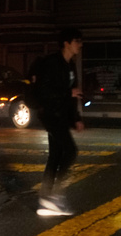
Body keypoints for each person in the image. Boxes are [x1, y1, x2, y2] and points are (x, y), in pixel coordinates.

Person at [30, 27, 85, 217]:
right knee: (70, 151)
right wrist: (68, 93)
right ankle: (55, 195)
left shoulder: (69, 66)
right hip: (51, 114)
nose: (80, 44)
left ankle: (46, 197)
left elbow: (73, 95)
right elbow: (43, 92)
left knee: (55, 155)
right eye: (77, 40)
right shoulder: (53, 63)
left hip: (60, 115)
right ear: (67, 43)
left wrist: (76, 118)